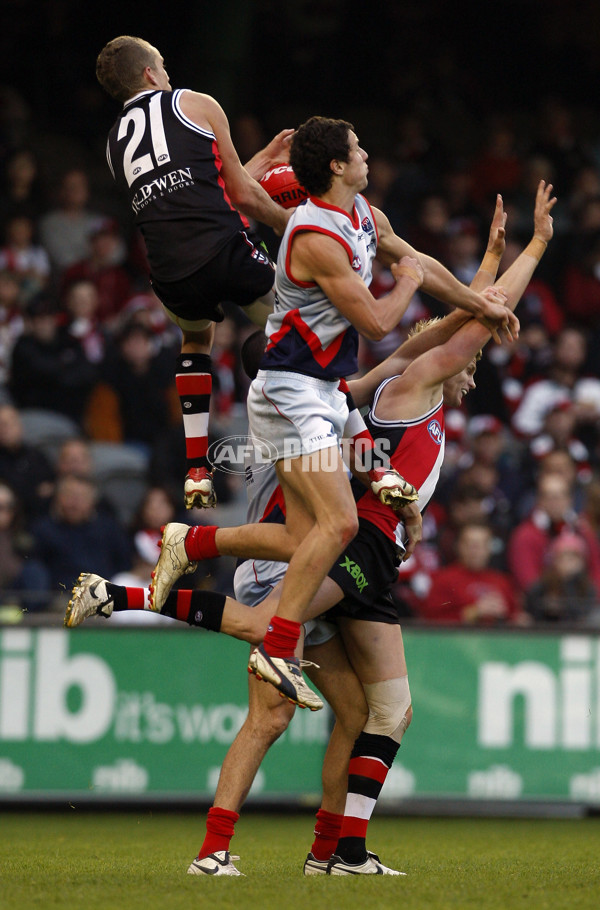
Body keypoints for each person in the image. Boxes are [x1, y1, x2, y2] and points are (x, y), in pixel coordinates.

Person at [65, 181, 554, 875]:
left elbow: (463, 318)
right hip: (332, 546)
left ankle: (337, 852)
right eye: (458, 349)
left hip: (366, 556)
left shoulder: (395, 389)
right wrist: (532, 247)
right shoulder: (398, 387)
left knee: (374, 713)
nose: (472, 357)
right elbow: (466, 324)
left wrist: (491, 261)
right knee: (270, 667)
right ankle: (143, 589)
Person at [154, 113, 519, 710]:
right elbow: (377, 321)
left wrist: (479, 301)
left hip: (323, 389)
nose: (367, 153)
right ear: (337, 166)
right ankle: (275, 643)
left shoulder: (367, 218)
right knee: (342, 523)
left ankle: (189, 545)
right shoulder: (315, 234)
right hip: (288, 389)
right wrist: (407, 281)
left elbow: (421, 264)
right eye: (358, 148)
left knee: (311, 532)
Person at [95, 35, 293, 510]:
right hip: (226, 250)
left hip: (170, 274)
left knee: (196, 342)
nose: (166, 71)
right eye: (161, 64)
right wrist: (302, 227)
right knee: (295, 324)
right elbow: (241, 197)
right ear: (150, 73)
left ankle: (197, 471)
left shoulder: (112, 145)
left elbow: (196, 194)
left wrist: (260, 159)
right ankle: (356, 444)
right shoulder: (194, 102)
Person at [419, 520, 524, 625]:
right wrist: (473, 613)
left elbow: (514, 616)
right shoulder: (443, 580)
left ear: (489, 548)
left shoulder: (502, 581)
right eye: (470, 545)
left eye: (481, 545)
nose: (475, 551)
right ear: (459, 546)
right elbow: (430, 621)